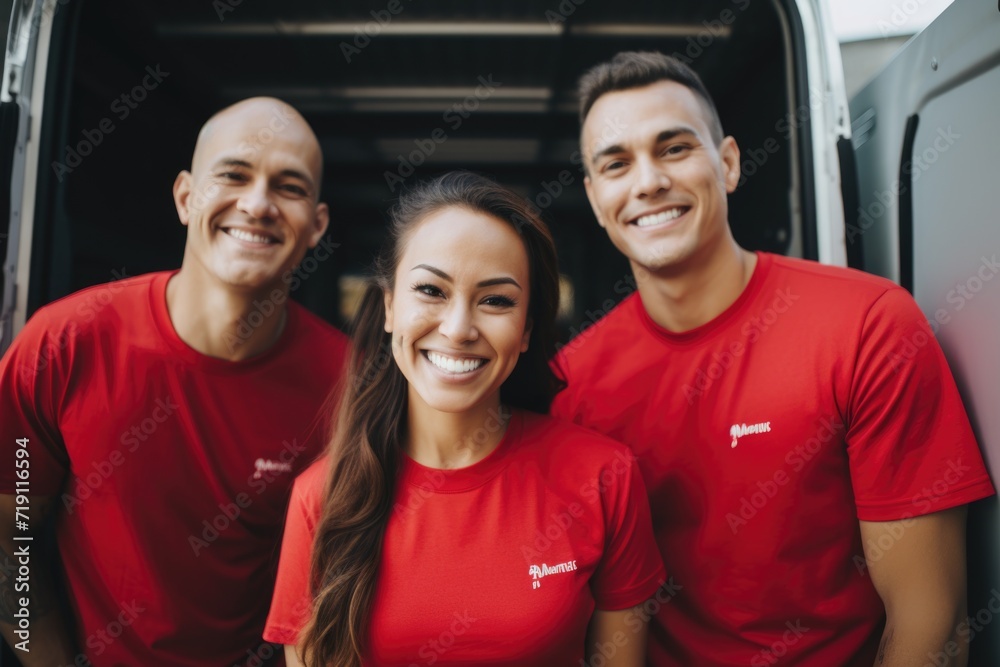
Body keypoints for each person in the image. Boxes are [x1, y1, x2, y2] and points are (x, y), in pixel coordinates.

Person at [551, 51, 995, 666]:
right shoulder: (573, 387)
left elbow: (931, 621)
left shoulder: (867, 326)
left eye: (674, 148)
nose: (648, 181)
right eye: (617, 164)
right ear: (597, 200)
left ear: (728, 163)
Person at [263, 171, 665, 667]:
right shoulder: (320, 499)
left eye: (496, 300)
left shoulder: (604, 477)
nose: (457, 329)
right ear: (390, 306)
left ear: (525, 331)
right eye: (431, 290)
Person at [0, 97, 350, 666]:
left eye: (289, 187)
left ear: (317, 225)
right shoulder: (63, 345)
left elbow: (345, 586)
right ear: (187, 197)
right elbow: (8, 543)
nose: (258, 203)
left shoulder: (350, 386)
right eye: (234, 175)